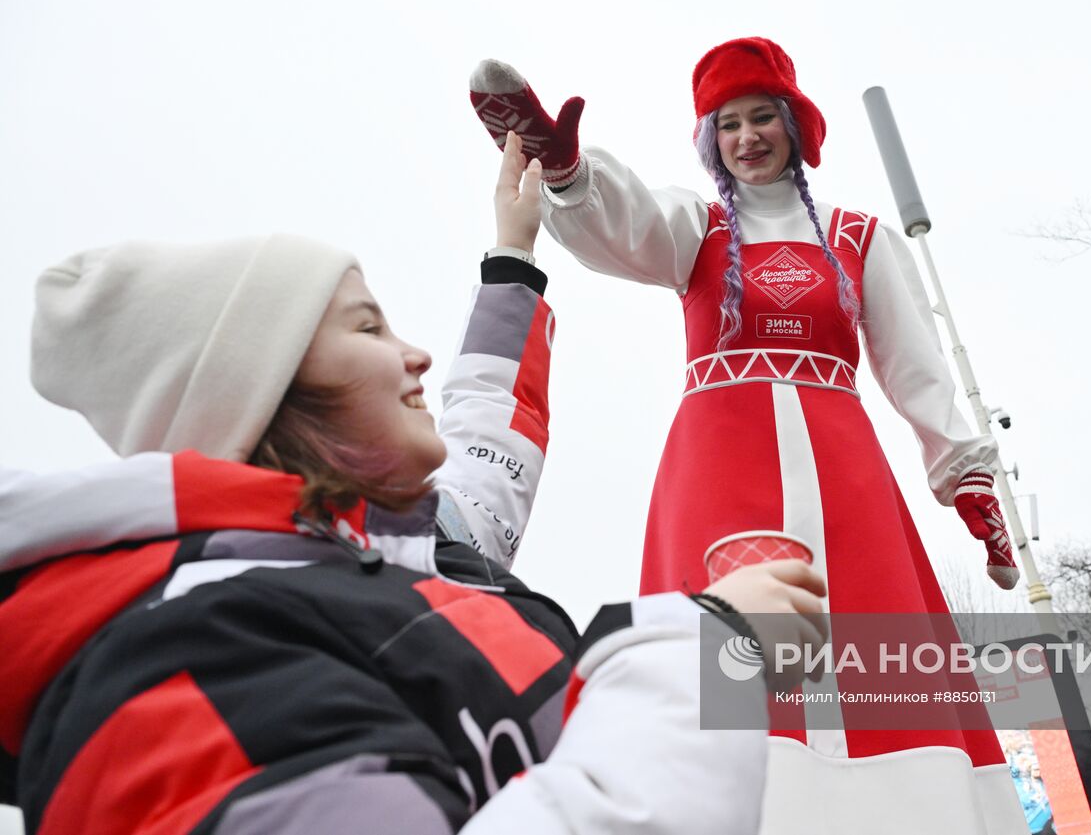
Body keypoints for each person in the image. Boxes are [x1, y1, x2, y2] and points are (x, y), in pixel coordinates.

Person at [0, 133, 827, 834]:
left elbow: (484, 439)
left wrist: (513, 254)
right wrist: (700, 646)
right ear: (264, 387)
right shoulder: (179, 666)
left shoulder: (411, 557)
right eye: (367, 326)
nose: (416, 354)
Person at [470, 39, 1026, 833]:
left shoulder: (860, 235)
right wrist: (571, 173)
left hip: (845, 479)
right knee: (731, 664)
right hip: (720, 477)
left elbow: (918, 366)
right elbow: (626, 223)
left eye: (763, 116)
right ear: (711, 141)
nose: (747, 136)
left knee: (872, 662)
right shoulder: (696, 227)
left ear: (795, 125)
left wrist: (966, 477)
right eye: (728, 124)